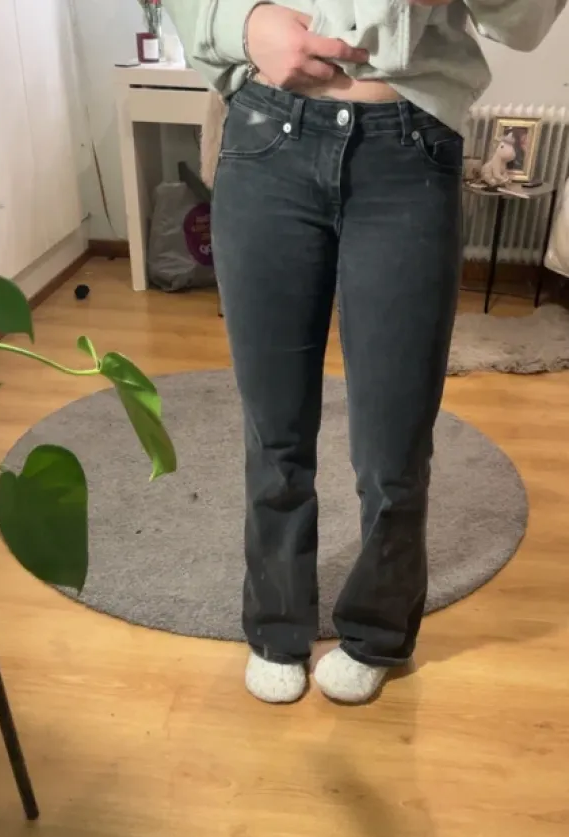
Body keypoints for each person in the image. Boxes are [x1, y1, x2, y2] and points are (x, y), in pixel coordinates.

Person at [166, 0, 565, 705]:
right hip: (265, 135)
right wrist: (242, 25)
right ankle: (275, 624)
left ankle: (377, 631)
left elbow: (527, 22)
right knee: (274, 426)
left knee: (395, 441)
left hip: (410, 147)